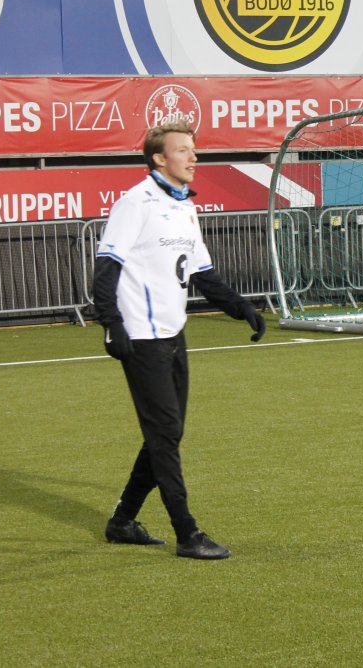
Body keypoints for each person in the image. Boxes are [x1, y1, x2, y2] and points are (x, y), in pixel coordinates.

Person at [92, 121, 266, 560]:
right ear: (159, 158)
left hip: (173, 333)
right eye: (183, 149)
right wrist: (112, 324)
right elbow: (105, 269)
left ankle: (122, 521)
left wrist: (240, 307)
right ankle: (187, 533)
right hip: (141, 338)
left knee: (167, 434)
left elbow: (202, 273)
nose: (193, 157)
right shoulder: (135, 203)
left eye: (193, 149)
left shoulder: (185, 205)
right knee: (165, 435)